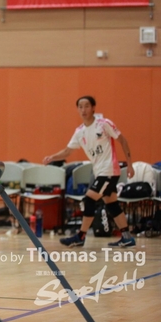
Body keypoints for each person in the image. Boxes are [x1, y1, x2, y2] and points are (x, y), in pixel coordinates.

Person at [43, 96, 136, 248]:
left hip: (109, 170)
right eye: (80, 107)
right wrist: (52, 157)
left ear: (93, 108)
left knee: (89, 200)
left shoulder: (104, 124)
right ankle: (127, 237)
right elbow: (67, 151)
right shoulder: (80, 132)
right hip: (99, 172)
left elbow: (123, 141)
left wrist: (130, 165)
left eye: (86, 106)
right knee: (111, 204)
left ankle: (80, 236)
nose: (83, 110)